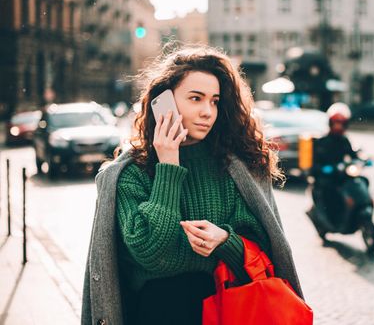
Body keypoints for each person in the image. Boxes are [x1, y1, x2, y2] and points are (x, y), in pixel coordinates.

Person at [81, 44, 304, 325]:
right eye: (196, 98)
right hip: (155, 314)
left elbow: (263, 249)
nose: (207, 111)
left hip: (227, 309)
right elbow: (150, 252)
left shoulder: (237, 167)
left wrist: (225, 242)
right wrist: (169, 165)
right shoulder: (131, 172)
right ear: (165, 102)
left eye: (214, 100)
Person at [308, 102, 359, 233]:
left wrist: (362, 159)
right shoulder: (321, 142)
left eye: (341, 123)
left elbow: (352, 155)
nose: (338, 126)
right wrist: (324, 169)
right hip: (325, 179)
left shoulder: (344, 140)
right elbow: (313, 166)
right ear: (331, 123)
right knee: (332, 193)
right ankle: (332, 220)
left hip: (340, 175)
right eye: (336, 123)